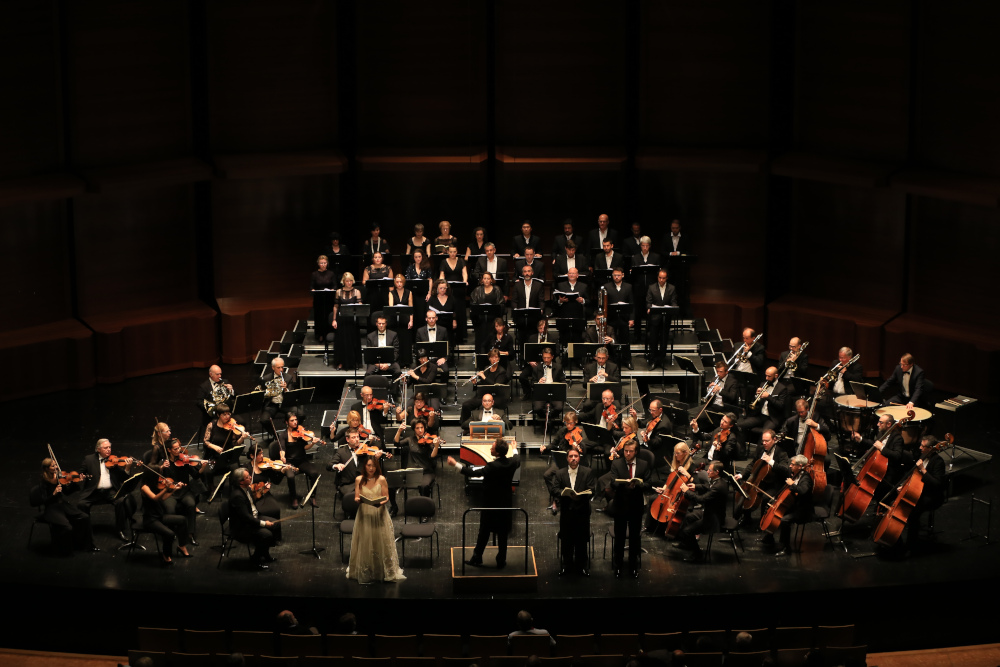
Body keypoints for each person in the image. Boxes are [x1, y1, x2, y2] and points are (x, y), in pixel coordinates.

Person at [447, 437, 520, 568]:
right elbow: (517, 459)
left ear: (497, 452)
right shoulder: (511, 463)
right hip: (505, 504)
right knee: (502, 533)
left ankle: (477, 557)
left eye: (492, 447)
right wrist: (514, 448)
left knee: (484, 531)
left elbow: (473, 472)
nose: (490, 448)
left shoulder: (492, 466)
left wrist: (456, 465)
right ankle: (501, 560)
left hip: (491, 504)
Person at [347, 456, 405, 584]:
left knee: (381, 540)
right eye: (368, 465)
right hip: (364, 513)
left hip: (379, 512)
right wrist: (359, 500)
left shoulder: (381, 479)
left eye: (373, 466)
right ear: (364, 466)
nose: (371, 468)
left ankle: (382, 570)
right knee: (366, 540)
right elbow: (356, 497)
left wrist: (381, 503)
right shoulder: (359, 479)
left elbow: (386, 497)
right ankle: (367, 570)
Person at [30, 458, 97, 554]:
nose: (56, 467)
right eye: (53, 466)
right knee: (67, 527)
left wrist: (75, 482)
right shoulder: (43, 483)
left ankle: (86, 546)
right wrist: (54, 493)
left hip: (63, 505)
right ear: (47, 469)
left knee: (84, 517)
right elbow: (43, 501)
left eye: (55, 465)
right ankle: (64, 550)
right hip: (52, 508)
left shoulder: (59, 477)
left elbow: (67, 492)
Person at [80, 438, 137, 541]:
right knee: (82, 504)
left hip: (110, 491)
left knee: (121, 501)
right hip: (94, 492)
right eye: (106, 448)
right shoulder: (89, 459)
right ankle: (85, 531)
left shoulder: (114, 461)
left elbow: (123, 478)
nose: (109, 450)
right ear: (98, 449)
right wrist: (82, 475)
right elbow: (82, 472)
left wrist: (128, 468)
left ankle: (120, 529)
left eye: (109, 447)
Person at [607, 439, 649, 578]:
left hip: (636, 506)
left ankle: (633, 566)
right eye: (626, 451)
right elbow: (612, 483)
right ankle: (618, 565)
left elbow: (649, 483)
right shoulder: (617, 463)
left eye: (631, 451)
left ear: (636, 452)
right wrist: (624, 485)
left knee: (634, 538)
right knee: (619, 538)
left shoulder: (644, 464)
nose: (628, 453)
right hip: (620, 505)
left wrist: (638, 485)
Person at [671, 460, 727, 563]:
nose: (707, 472)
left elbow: (701, 499)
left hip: (713, 518)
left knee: (687, 531)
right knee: (687, 517)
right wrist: (695, 486)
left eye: (710, 470)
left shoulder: (718, 487)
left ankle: (697, 555)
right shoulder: (718, 481)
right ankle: (686, 544)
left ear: (717, 472)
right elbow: (707, 487)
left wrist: (686, 491)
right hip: (709, 512)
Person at [733, 430, 790, 525]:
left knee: (765, 498)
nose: (764, 443)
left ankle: (763, 522)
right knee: (746, 491)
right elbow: (752, 464)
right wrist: (741, 474)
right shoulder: (761, 450)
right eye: (763, 441)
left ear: (774, 439)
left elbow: (785, 470)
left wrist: (771, 462)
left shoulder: (781, 453)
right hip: (759, 480)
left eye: (767, 441)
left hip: (773, 483)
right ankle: (746, 519)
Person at [138, 462, 192, 565]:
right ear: (152, 475)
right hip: (150, 519)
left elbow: (162, 498)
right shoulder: (144, 487)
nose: (160, 477)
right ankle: (166, 555)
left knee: (182, 519)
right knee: (170, 534)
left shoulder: (155, 484)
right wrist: (167, 488)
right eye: (158, 474)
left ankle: (182, 545)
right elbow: (155, 498)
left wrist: (173, 490)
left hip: (159, 515)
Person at [900, 435, 947, 552]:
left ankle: (911, 546)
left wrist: (923, 469)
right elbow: (913, 475)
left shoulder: (938, 462)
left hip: (932, 495)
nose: (920, 447)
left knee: (913, 512)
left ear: (931, 448)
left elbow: (936, 484)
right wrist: (904, 485)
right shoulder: (922, 455)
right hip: (918, 490)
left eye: (923, 446)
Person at [554, 447, 596, 576]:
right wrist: (565, 494)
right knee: (566, 539)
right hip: (567, 512)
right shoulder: (560, 473)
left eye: (576, 456)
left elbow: (591, 489)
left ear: (579, 458)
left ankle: (582, 565)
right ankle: (566, 565)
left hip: (582, 511)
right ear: (567, 458)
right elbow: (554, 489)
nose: (573, 458)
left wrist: (580, 496)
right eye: (571, 456)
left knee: (581, 540)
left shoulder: (587, 472)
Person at [763, 455, 813, 556]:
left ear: (800, 466)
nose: (790, 466)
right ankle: (769, 536)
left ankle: (786, 548)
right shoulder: (794, 473)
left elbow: (803, 491)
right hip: (793, 506)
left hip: (803, 510)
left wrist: (792, 485)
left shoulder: (806, 478)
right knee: (771, 508)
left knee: (784, 520)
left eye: (792, 464)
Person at [230, 468, 277, 569]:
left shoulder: (247, 489)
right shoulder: (237, 496)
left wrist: (262, 492)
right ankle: (255, 559)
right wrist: (264, 523)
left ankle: (265, 553)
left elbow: (251, 503)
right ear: (241, 482)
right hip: (242, 527)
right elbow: (246, 517)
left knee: (276, 524)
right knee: (266, 535)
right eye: (247, 477)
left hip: (252, 518)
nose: (251, 477)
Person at [541, 410, 587, 514]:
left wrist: (575, 447)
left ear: (575, 422)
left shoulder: (579, 432)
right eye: (566, 423)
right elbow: (553, 444)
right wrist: (545, 447)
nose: (568, 425)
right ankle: (557, 498)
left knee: (562, 476)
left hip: (573, 462)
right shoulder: (562, 431)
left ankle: (560, 500)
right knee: (547, 475)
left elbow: (583, 450)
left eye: (571, 423)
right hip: (561, 460)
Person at [276, 413, 322, 509]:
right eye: (292, 420)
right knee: (290, 476)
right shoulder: (283, 435)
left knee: (314, 473)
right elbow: (282, 449)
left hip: (302, 461)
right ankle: (293, 497)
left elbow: (305, 447)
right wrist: (282, 457)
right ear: (286, 422)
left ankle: (312, 496)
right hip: (289, 463)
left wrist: (312, 443)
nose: (295, 422)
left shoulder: (300, 432)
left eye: (296, 420)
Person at [850, 412, 906, 485]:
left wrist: (882, 448)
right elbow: (875, 444)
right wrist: (860, 439)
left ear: (889, 424)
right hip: (878, 467)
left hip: (888, 471)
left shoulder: (898, 438)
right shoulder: (881, 432)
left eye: (881, 423)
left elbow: (897, 455)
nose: (878, 424)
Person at [393, 417, 441, 498]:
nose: (420, 430)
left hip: (426, 472)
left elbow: (432, 456)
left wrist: (436, 446)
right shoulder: (410, 439)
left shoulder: (429, 441)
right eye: (417, 428)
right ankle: (395, 507)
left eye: (422, 427)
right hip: (413, 471)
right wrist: (399, 431)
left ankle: (425, 505)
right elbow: (396, 443)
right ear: (414, 429)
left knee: (424, 486)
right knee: (393, 484)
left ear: (425, 428)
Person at [247, 447, 284, 542]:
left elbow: (276, 481)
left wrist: (282, 472)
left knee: (276, 509)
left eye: (262, 453)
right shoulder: (247, 469)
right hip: (254, 497)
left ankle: (276, 537)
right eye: (259, 454)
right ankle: (262, 535)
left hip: (265, 494)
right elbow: (248, 488)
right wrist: (262, 488)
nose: (262, 456)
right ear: (252, 456)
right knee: (262, 511)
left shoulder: (266, 467)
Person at [737, 366, 788, 436]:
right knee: (740, 424)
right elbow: (757, 402)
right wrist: (756, 395)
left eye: (769, 376)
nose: (766, 378)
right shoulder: (763, 384)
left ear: (776, 376)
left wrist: (768, 397)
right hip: (760, 415)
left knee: (765, 435)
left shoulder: (782, 388)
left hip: (772, 418)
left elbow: (781, 405)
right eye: (766, 375)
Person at [461, 350, 509, 423]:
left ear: (499, 358)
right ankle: (466, 427)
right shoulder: (487, 368)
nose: (494, 359)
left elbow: (496, 386)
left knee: (482, 407)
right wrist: (475, 383)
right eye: (492, 357)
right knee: (466, 405)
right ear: (489, 358)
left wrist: (484, 377)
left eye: (496, 357)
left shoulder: (501, 371)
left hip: (495, 397)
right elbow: (482, 384)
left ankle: (482, 426)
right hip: (483, 395)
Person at [327, 428, 365, 519]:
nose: (356, 439)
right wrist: (336, 466)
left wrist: (376, 457)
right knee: (355, 496)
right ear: (347, 439)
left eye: (357, 437)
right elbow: (329, 465)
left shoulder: (363, 449)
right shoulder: (341, 451)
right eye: (353, 437)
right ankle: (353, 515)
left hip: (362, 482)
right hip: (347, 484)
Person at [260, 356, 303, 432]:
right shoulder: (266, 378)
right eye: (278, 368)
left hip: (285, 404)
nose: (281, 370)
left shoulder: (288, 377)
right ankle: (275, 437)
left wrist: (286, 388)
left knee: (301, 415)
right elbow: (262, 394)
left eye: (282, 367)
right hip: (272, 405)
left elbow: (292, 394)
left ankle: (292, 432)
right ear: (273, 367)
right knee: (264, 420)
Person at [645, 269, 678, 368]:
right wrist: (648, 308)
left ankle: (661, 360)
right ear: (657, 277)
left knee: (664, 341)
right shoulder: (652, 287)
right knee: (653, 340)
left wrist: (674, 307)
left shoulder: (672, 288)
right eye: (660, 278)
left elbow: (674, 301)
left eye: (663, 278)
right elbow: (648, 301)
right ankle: (653, 360)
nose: (661, 280)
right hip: (654, 318)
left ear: (666, 278)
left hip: (665, 318)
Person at [331, 272, 363, 370]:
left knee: (353, 341)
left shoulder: (357, 291)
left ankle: (354, 362)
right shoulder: (338, 292)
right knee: (341, 342)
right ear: (343, 281)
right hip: (342, 320)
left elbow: (360, 304)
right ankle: (341, 362)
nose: (349, 283)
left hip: (352, 320)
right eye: (347, 281)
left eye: (350, 281)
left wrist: (360, 305)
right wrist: (334, 320)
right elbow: (336, 306)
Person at [470, 273, 506, 348]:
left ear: (491, 280)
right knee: (481, 342)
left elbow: (501, 304)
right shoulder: (477, 290)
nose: (486, 280)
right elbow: (473, 304)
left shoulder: (497, 290)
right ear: (482, 280)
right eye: (485, 278)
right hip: (480, 321)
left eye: (488, 278)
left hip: (493, 321)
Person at [530, 347, 566, 421]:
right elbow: (532, 383)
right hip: (541, 393)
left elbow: (563, 381)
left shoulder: (558, 367)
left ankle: (551, 418)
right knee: (537, 408)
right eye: (544, 358)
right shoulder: (536, 368)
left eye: (548, 358)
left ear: (552, 357)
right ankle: (544, 418)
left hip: (555, 393)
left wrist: (557, 385)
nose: (546, 360)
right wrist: (538, 382)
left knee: (559, 407)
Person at [386, 273, 414, 365]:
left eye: (400, 282)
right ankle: (395, 361)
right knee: (395, 340)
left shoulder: (409, 293)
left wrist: (411, 320)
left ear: (403, 282)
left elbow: (411, 308)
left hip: (405, 319)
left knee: (405, 340)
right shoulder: (391, 293)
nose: (399, 284)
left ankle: (405, 361)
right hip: (394, 319)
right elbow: (390, 307)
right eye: (397, 282)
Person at [311, 255, 337, 343]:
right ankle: (320, 335)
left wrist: (332, 290)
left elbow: (334, 285)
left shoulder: (331, 273)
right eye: (321, 263)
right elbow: (312, 287)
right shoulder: (314, 274)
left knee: (328, 315)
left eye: (325, 263)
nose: (323, 265)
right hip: (318, 299)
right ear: (318, 264)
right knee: (319, 317)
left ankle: (328, 334)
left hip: (329, 298)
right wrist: (313, 290)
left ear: (327, 263)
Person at [415, 310, 450, 376]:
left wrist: (444, 358)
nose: (431, 320)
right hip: (425, 359)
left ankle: (443, 386)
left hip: (439, 358)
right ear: (426, 319)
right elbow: (417, 348)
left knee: (446, 371)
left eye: (433, 318)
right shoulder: (420, 331)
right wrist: (422, 359)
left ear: (436, 318)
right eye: (429, 318)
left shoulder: (443, 330)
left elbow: (448, 347)